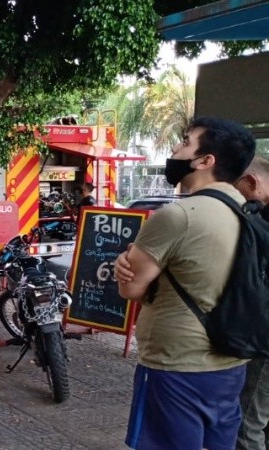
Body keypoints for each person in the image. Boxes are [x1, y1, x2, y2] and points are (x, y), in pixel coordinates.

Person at [113, 117, 256, 450]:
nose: (175, 149)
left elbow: (130, 290)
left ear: (206, 161)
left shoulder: (177, 216)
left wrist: (125, 269)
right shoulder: (246, 213)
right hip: (230, 364)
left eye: (185, 142)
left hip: (176, 366)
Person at [233, 156, 269, 450]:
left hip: (264, 339)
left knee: (247, 423)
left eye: (236, 189)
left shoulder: (260, 220)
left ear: (252, 183)